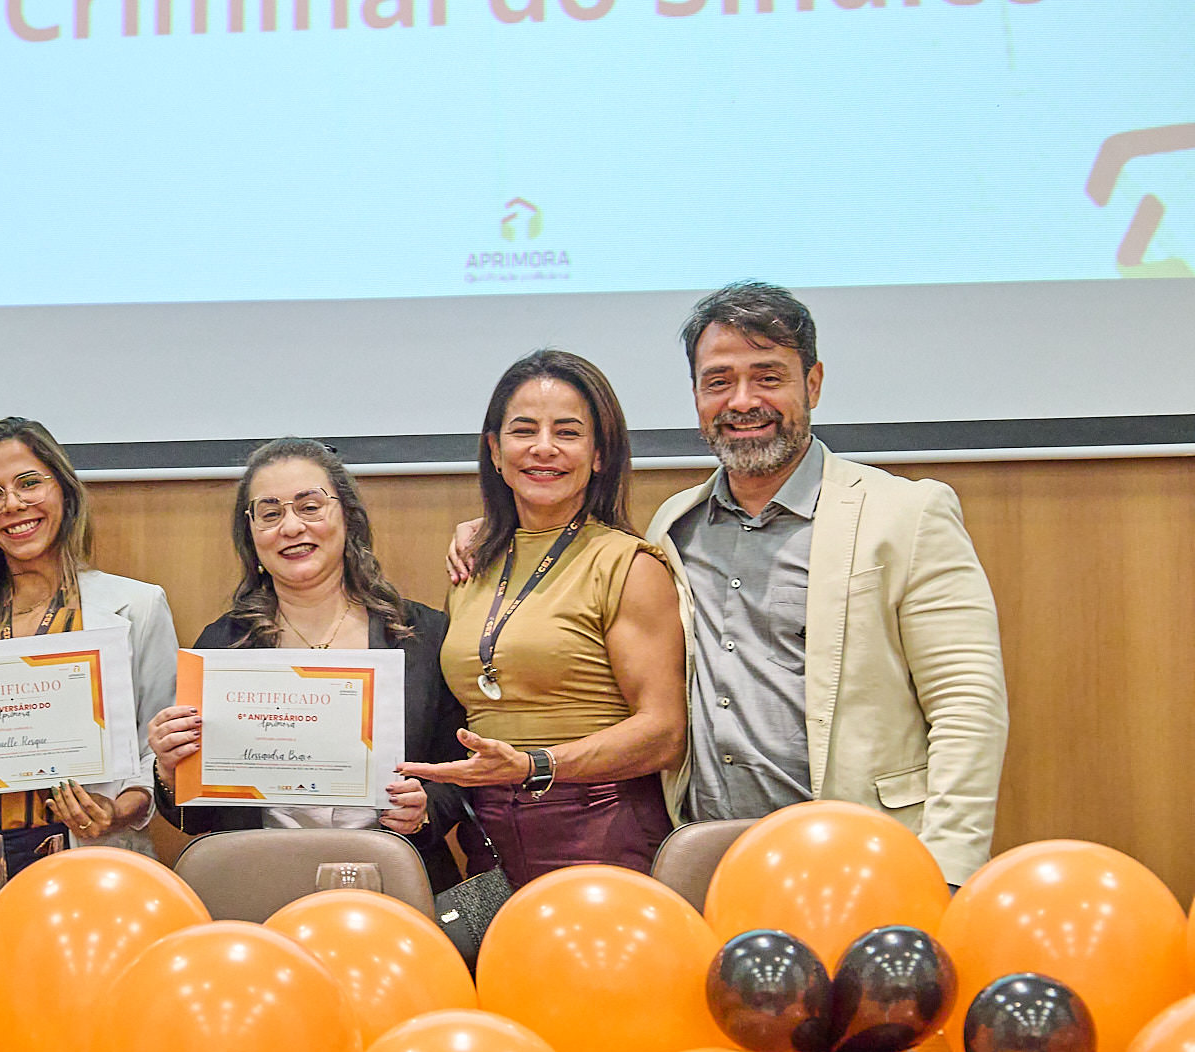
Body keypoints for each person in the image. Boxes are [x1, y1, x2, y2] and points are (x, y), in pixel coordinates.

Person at [645, 281, 1006, 886]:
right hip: (715, 863)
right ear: (697, 396)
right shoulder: (674, 526)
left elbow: (967, 703)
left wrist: (947, 870)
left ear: (812, 384)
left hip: (871, 860)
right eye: (719, 381)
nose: (743, 401)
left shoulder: (906, 514)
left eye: (768, 377)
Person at [409, 350, 688, 890]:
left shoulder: (628, 564)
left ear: (599, 455)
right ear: (495, 450)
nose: (543, 448)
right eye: (523, 430)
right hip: (488, 831)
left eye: (567, 432)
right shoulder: (472, 561)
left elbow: (664, 733)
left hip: (600, 827)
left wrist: (535, 765)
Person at [144, 438, 466, 890]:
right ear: (251, 533)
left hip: (391, 883)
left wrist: (425, 808)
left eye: (310, 507)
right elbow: (199, 818)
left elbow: (462, 773)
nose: (291, 527)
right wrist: (169, 768)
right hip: (260, 885)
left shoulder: (422, 636)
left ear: (348, 516)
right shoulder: (223, 646)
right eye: (270, 513)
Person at [0, 417, 176, 884]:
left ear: (64, 491)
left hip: (85, 862)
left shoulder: (137, 607)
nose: (13, 504)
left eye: (29, 483)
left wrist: (119, 810)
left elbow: (160, 752)